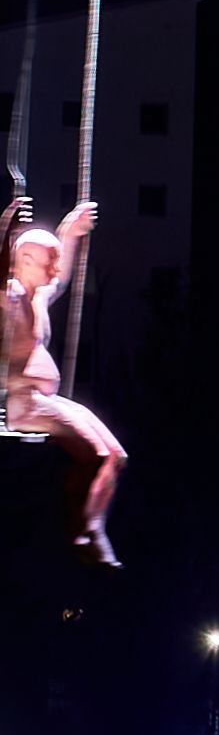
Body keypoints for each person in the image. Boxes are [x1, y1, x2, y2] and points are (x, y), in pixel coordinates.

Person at [3, 194, 122, 565]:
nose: (55, 269)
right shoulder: (11, 297)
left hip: (47, 400)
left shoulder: (37, 296)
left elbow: (62, 277)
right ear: (24, 261)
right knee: (97, 455)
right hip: (25, 404)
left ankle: (90, 524)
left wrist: (70, 230)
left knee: (115, 456)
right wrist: (7, 226)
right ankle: (82, 528)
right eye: (48, 261)